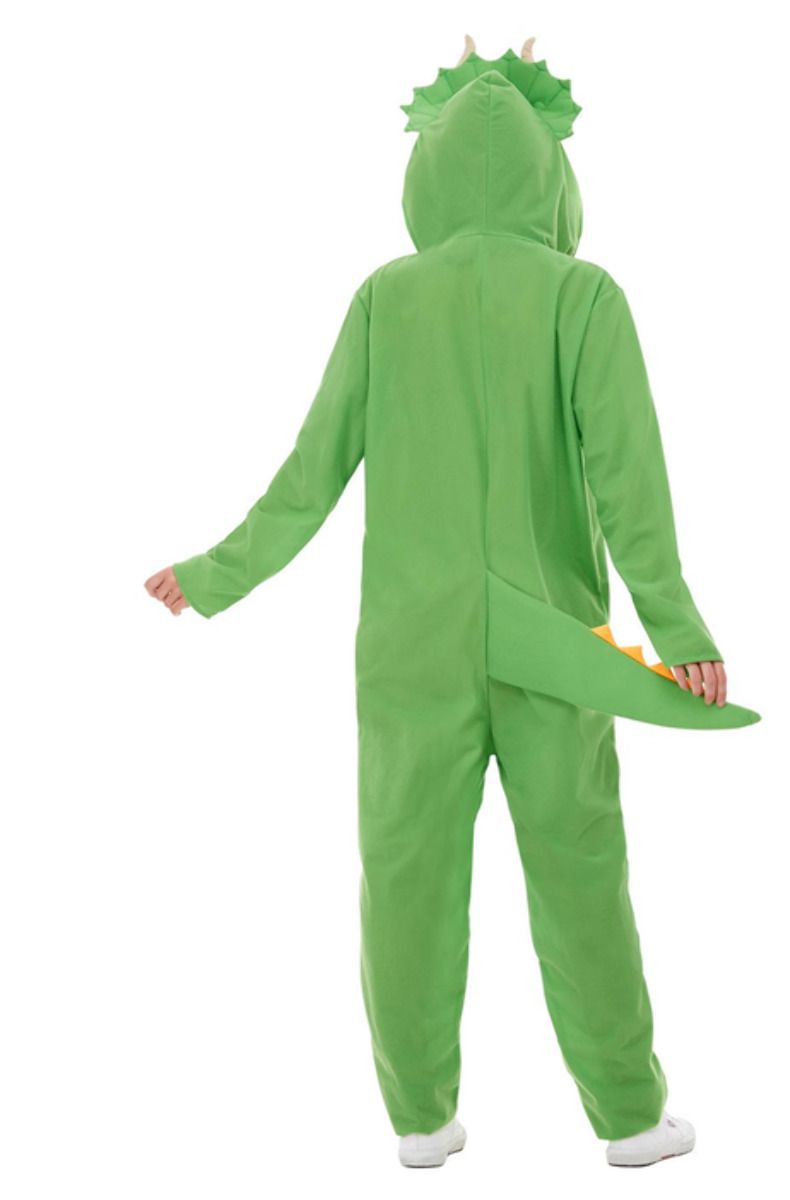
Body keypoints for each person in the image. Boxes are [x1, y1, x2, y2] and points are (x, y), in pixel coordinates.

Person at [146, 38, 753, 1170]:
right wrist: (679, 633)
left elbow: (310, 474)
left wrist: (216, 572)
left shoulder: (385, 299)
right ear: (550, 175)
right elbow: (631, 484)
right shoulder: (583, 295)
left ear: (423, 174)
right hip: (550, 642)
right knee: (581, 871)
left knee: (406, 875)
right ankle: (631, 1120)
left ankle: (421, 1121)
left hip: (411, 646)